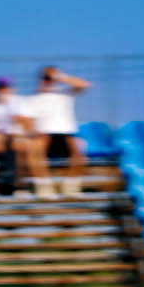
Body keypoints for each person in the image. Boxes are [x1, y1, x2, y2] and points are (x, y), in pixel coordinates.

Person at [22, 65, 92, 195]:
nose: (48, 81)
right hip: (44, 136)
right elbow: (28, 123)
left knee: (78, 148)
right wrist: (36, 133)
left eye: (50, 78)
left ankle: (70, 188)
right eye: (45, 78)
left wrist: (59, 76)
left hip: (66, 135)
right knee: (34, 147)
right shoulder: (32, 100)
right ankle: (44, 187)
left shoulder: (65, 93)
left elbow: (84, 85)